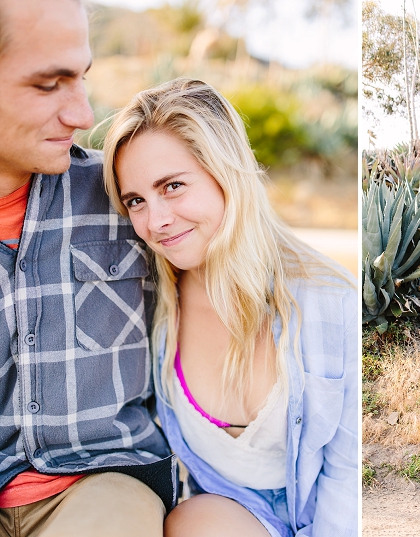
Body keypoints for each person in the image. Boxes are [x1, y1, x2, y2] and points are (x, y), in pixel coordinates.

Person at [102, 78, 358, 537]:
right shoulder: (152, 307)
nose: (155, 220)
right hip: (233, 520)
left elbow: (350, 472)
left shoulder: (330, 301)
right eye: (136, 200)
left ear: (227, 173)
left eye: (174, 186)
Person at [0, 0, 175, 535]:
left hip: (102, 478)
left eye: (81, 77)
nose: (83, 114)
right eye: (49, 85)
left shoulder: (128, 195)